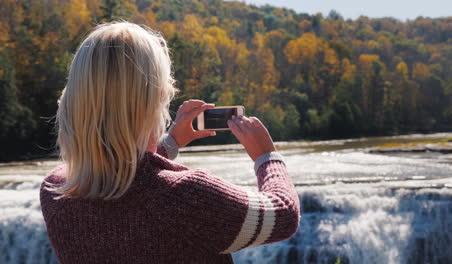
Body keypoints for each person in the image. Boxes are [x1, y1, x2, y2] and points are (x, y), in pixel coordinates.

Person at [40, 21, 300, 264]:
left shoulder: (56, 189)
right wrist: (267, 157)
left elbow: (125, 177)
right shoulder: (185, 197)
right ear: (151, 103)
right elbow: (283, 214)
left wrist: (172, 142)